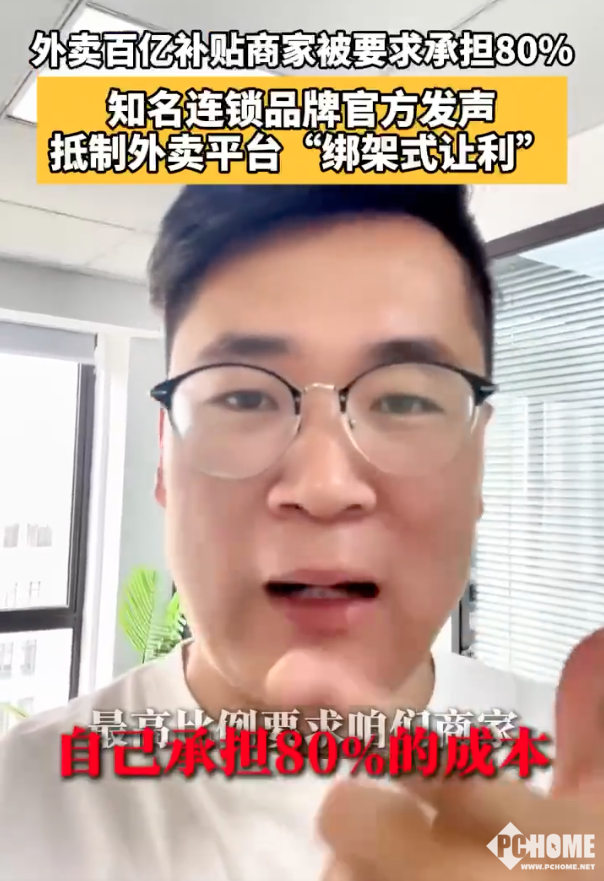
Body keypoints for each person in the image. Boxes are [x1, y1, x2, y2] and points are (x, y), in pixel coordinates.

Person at [0, 184, 601, 881]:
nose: (323, 486)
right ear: (164, 454)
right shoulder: (21, 806)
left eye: (404, 399)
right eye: (243, 396)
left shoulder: (576, 795)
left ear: (479, 464)